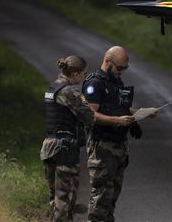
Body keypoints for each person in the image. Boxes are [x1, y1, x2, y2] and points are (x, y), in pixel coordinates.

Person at [82, 46, 145, 222]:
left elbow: (119, 107)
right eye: (119, 68)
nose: (122, 72)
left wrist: (138, 113)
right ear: (107, 62)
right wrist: (117, 121)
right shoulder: (95, 83)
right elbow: (90, 114)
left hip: (118, 145)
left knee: (111, 196)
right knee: (101, 196)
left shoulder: (116, 82)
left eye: (125, 68)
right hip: (102, 145)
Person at [40, 55, 95, 221]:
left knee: (54, 198)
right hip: (65, 148)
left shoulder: (53, 87)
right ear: (75, 73)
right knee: (66, 198)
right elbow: (89, 117)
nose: (84, 77)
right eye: (84, 74)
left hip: (49, 146)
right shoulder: (69, 92)